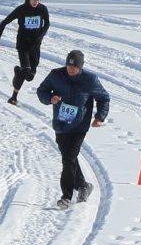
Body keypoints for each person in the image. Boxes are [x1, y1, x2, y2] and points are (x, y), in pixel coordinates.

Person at [35, 50, 111, 208]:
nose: (70, 69)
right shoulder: (56, 75)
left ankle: (66, 197)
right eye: (68, 66)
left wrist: (99, 117)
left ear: (80, 67)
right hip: (61, 125)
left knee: (68, 158)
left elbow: (103, 98)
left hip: (79, 126)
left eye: (74, 67)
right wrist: (50, 98)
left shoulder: (90, 80)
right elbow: (41, 91)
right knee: (70, 158)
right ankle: (83, 186)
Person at [0, 0, 52, 105]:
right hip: (23, 44)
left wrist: (40, 36)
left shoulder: (43, 9)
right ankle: (14, 97)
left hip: (35, 45)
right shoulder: (22, 9)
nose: (36, 1)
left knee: (30, 76)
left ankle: (18, 71)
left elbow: (47, 24)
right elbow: (4, 22)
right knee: (26, 69)